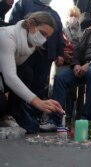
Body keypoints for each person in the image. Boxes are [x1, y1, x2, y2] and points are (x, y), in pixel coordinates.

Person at [40, 1, 91, 132]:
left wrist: (89, 63)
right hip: (82, 68)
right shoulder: (87, 31)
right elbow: (78, 51)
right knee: (60, 77)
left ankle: (87, 120)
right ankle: (55, 120)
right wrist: (76, 65)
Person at [7, 0, 65, 133]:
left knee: (39, 85)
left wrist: (60, 53)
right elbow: (14, 22)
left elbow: (59, 35)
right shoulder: (24, 3)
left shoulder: (55, 14)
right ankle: (14, 114)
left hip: (47, 55)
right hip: (26, 52)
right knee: (24, 79)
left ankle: (34, 116)